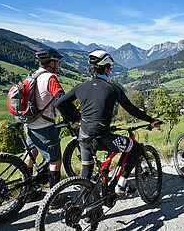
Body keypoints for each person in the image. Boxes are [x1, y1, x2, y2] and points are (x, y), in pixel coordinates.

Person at [56, 50, 161, 196]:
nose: (110, 71)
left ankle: (86, 210)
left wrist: (74, 120)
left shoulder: (80, 87)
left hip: (84, 138)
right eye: (110, 69)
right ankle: (121, 184)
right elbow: (132, 110)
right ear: (106, 69)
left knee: (86, 174)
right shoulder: (112, 88)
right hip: (102, 139)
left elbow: (59, 103)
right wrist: (151, 121)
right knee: (135, 148)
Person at [24, 48, 66, 205]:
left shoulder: (32, 75)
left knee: (31, 153)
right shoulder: (50, 78)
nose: (58, 65)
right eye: (57, 62)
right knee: (55, 160)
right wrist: (74, 117)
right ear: (51, 63)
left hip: (29, 123)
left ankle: (27, 192)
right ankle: (54, 199)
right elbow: (61, 99)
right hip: (44, 124)